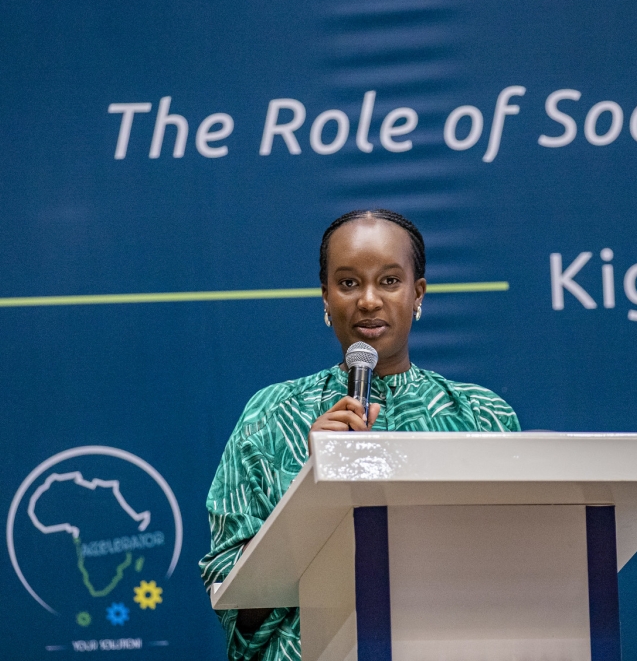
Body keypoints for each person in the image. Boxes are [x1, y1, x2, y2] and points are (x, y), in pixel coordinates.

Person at [198, 209, 521, 661]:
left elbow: (521, 569)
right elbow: (237, 611)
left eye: (389, 281)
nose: (368, 301)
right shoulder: (271, 416)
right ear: (325, 298)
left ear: (417, 294)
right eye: (348, 283)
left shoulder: (482, 416)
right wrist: (310, 489)